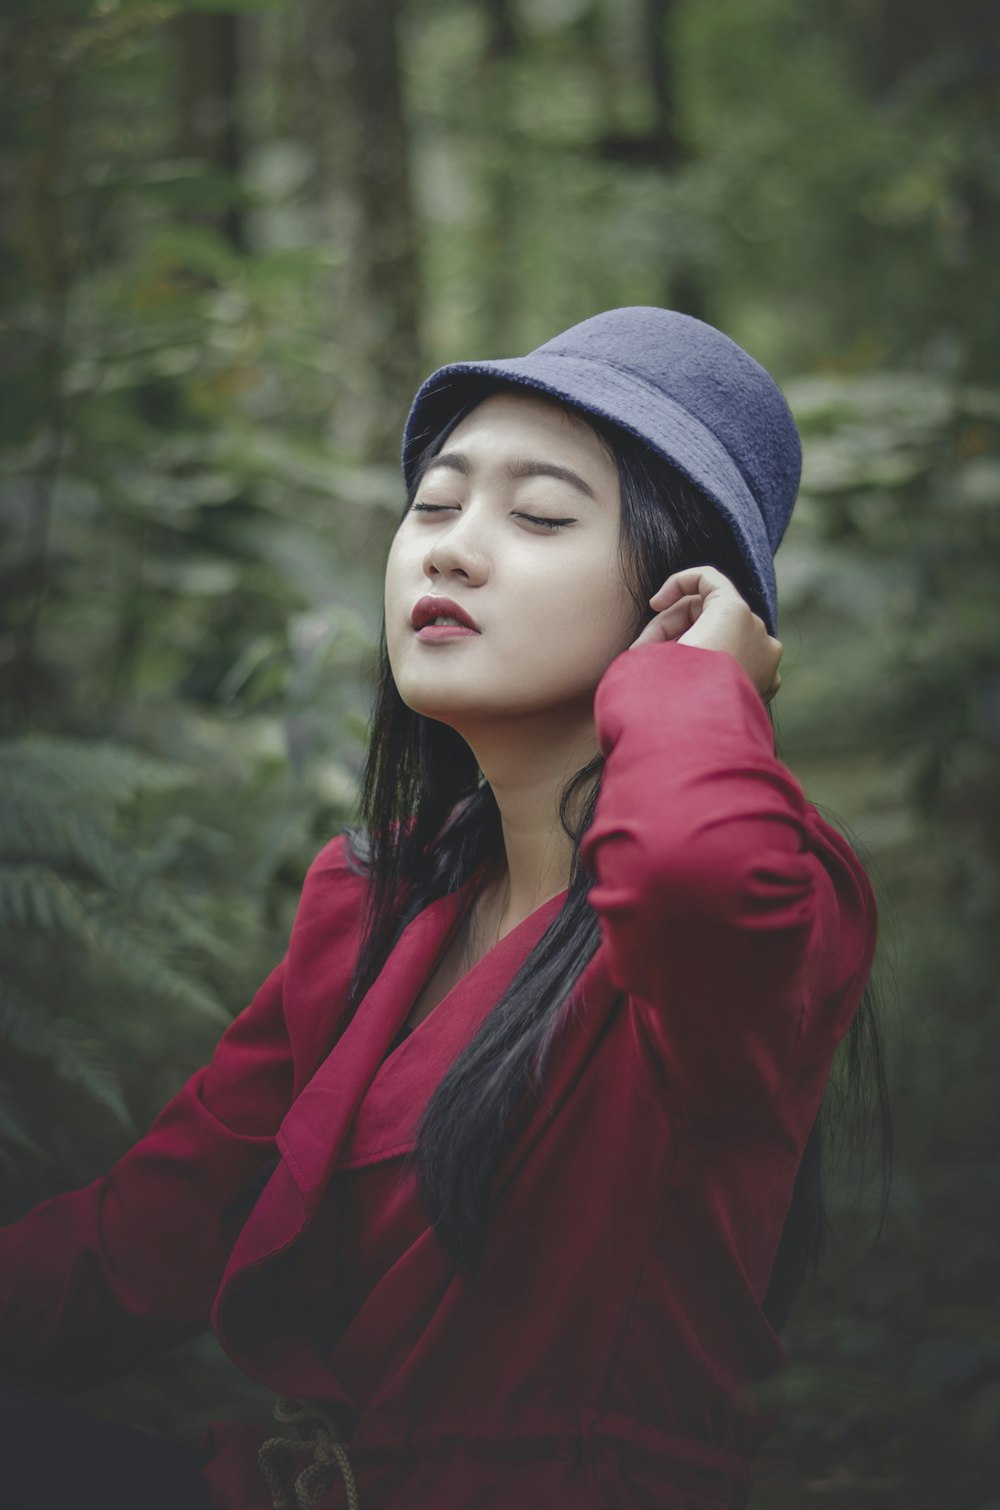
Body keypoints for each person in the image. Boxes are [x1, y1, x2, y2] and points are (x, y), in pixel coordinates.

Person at [0, 307, 888, 1509]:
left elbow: (688, 873)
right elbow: (141, 1236)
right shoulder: (373, 900)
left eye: (536, 517)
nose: (451, 550)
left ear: (681, 598)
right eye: (433, 504)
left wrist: (690, 682)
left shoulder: (769, 903)